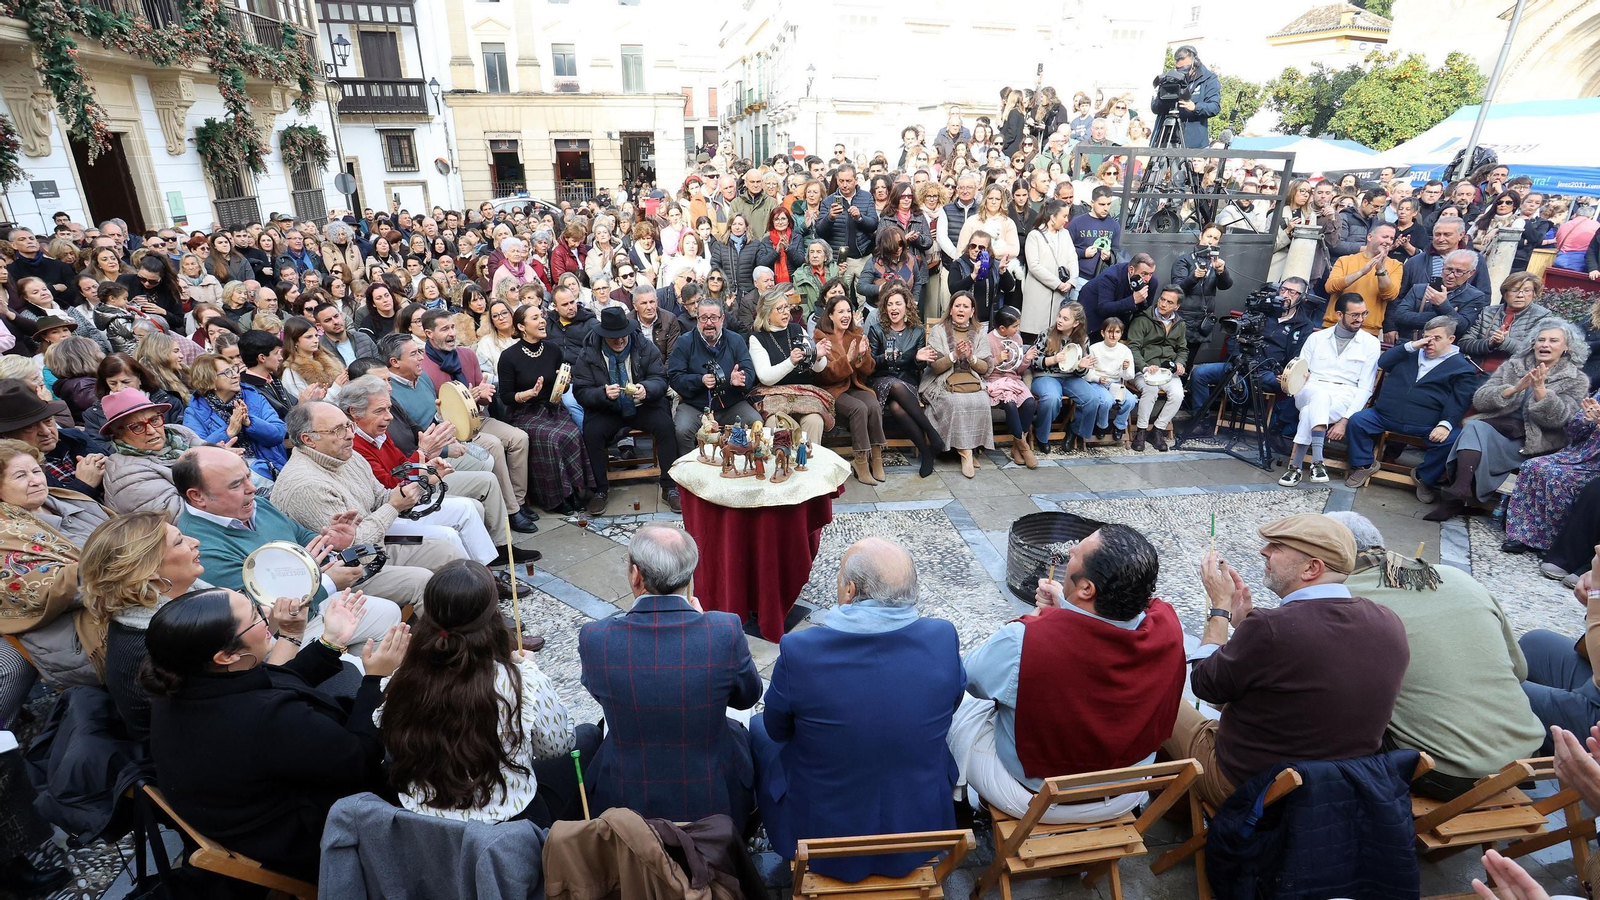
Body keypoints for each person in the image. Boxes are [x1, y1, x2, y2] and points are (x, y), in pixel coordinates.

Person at [142, 587, 408, 882]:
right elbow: (360, 759)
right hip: (307, 839)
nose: (267, 614)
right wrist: (375, 679)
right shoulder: (267, 719)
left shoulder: (181, 681)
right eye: (255, 616)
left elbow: (277, 678)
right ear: (227, 655)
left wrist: (330, 643)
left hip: (246, 809)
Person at [1163, 514, 1410, 807]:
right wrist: (1245, 629)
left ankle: (1167, 811)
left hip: (1251, 788)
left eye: (1277, 546)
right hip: (1336, 789)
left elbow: (1204, 684)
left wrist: (1220, 609)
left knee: (1159, 697)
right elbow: (1299, 665)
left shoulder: (1272, 628)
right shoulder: (1388, 621)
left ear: (1312, 567)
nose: (1263, 551)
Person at [754, 536, 962, 879]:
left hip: (821, 837)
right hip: (919, 829)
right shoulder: (942, 638)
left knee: (759, 729)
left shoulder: (802, 651)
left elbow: (778, 729)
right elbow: (954, 703)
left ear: (849, 590)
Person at [953, 524, 1184, 820]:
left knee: (964, 711)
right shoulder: (1169, 627)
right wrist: (1065, 609)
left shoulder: (1024, 641)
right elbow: (1098, 637)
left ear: (1087, 588)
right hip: (1126, 790)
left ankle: (959, 811)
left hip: (1041, 798)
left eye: (1079, 550)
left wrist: (1037, 620)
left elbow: (969, 677)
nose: (1071, 550)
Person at [1319, 511, 1544, 800]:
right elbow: (1520, 672)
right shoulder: (1456, 577)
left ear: (1321, 555)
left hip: (1447, 772)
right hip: (1524, 758)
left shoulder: (1338, 600)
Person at [376, 560, 595, 826]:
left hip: (424, 821)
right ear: (492, 615)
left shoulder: (400, 677)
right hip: (509, 825)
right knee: (589, 738)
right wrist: (529, 672)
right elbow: (556, 747)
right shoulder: (522, 681)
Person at [579, 524, 760, 829]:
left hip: (625, 800)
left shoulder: (597, 638)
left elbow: (602, 692)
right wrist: (704, 627)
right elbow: (748, 697)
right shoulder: (724, 630)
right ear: (689, 577)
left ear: (636, 575)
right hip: (713, 796)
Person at [272, 401, 502, 570]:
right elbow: (356, 549)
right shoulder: (306, 485)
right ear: (308, 440)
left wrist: (423, 478)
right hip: (352, 562)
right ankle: (477, 595)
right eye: (337, 430)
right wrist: (394, 506)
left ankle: (485, 578)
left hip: (376, 528)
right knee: (446, 541)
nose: (350, 435)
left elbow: (380, 497)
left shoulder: (346, 457)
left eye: (348, 426)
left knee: (465, 510)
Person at [1427, 323, 1590, 521]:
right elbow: (1480, 399)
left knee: (1473, 431)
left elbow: (1563, 420)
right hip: (1496, 430)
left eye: (1553, 341)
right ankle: (1459, 491)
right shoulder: (1514, 365)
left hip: (1532, 443)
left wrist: (1541, 393)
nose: (1545, 344)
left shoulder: (1577, 379)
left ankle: (1455, 498)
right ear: (1533, 343)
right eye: (1541, 339)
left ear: (1567, 347)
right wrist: (1512, 389)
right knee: (1474, 427)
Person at [0, 438, 110, 698]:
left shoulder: (70, 500)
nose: (36, 480)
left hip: (119, 594)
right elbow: (52, 590)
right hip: (75, 632)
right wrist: (130, 564)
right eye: (20, 476)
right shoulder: (7, 535)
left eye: (36, 471)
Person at [416, 309, 532, 521]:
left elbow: (482, 397)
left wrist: (483, 394)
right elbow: (433, 412)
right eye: (444, 329)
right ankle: (511, 511)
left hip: (477, 419)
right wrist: (466, 398)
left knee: (519, 438)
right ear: (429, 333)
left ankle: (518, 500)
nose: (452, 333)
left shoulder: (467, 355)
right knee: (494, 445)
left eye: (452, 327)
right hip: (450, 431)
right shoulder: (423, 367)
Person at [1343, 317, 1478, 498]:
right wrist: (1412, 346)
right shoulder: (1409, 352)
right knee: (1357, 421)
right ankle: (1365, 464)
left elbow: (1460, 400)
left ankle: (1424, 477)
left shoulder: (1462, 367)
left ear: (1451, 339)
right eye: (1426, 337)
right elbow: (1383, 363)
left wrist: (1445, 424)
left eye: (1437, 338)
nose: (1429, 342)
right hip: (1384, 415)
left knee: (1451, 439)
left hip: (1426, 423)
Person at [573, 306, 681, 516]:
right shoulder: (588, 354)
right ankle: (600, 490)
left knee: (666, 427)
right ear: (604, 336)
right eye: (614, 338)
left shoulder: (644, 346)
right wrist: (602, 394)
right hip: (608, 409)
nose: (620, 340)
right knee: (592, 432)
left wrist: (647, 389)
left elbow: (660, 378)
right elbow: (581, 391)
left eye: (623, 336)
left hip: (643, 406)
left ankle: (669, 487)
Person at [495, 304, 595, 514]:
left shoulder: (552, 349)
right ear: (522, 326)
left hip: (552, 408)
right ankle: (555, 497)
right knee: (551, 438)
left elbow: (560, 387)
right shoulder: (509, 356)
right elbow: (505, 397)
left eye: (541, 316)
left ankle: (573, 491)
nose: (542, 321)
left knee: (573, 433)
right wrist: (527, 394)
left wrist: (564, 382)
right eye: (535, 318)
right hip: (524, 413)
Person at [1280, 295, 1380, 487]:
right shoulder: (1316, 338)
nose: (1360, 319)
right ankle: (1318, 461)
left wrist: (1345, 420)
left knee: (1311, 411)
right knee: (1319, 395)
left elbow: (1366, 387)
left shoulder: (1371, 343)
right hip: (1310, 389)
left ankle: (1295, 467)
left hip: (1344, 395)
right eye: (1354, 315)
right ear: (1339, 314)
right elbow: (1301, 370)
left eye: (1364, 314)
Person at [866, 282, 945, 477]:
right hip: (881, 380)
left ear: (906, 306)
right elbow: (873, 363)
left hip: (907, 382)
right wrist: (906, 357)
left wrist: (916, 360)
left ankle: (926, 453)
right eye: (890, 304)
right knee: (894, 384)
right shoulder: (877, 329)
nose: (894, 308)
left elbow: (919, 365)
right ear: (885, 308)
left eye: (898, 304)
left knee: (897, 407)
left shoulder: (917, 331)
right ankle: (932, 433)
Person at [667, 296, 759, 459]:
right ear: (697, 319)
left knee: (754, 421)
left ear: (722, 318)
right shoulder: (685, 342)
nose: (709, 323)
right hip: (696, 406)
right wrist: (699, 380)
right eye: (704, 318)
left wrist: (739, 380)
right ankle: (691, 474)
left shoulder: (735, 340)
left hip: (731, 403)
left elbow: (749, 372)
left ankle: (740, 463)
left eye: (714, 318)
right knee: (681, 430)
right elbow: (674, 377)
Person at [182, 351, 287, 482]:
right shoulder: (194, 412)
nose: (235, 375)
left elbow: (278, 434)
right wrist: (228, 432)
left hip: (269, 468)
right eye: (226, 373)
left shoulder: (254, 398)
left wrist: (250, 423)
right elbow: (196, 455)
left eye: (234, 369)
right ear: (208, 382)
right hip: (225, 476)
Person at [814, 292, 885, 485]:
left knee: (873, 404)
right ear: (830, 315)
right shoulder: (822, 338)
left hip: (855, 385)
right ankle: (860, 461)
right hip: (832, 389)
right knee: (859, 408)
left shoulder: (857, 335)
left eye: (849, 311)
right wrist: (849, 359)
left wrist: (862, 356)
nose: (846, 315)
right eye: (841, 312)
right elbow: (826, 374)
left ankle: (876, 457)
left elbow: (869, 369)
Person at [747, 288, 831, 450]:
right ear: (766, 313)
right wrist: (791, 362)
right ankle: (782, 467)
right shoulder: (757, 338)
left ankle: (808, 464)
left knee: (815, 420)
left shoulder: (798, 329)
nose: (786, 312)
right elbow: (765, 377)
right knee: (775, 422)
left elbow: (819, 368)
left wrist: (817, 356)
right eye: (779, 309)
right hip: (773, 396)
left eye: (786, 307)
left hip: (802, 395)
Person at [921, 291, 993, 478]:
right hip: (942, 380)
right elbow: (935, 367)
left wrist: (971, 357)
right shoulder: (938, 330)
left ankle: (969, 446)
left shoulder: (979, 331)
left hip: (971, 379)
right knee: (957, 403)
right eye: (957, 306)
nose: (961, 309)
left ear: (972, 311)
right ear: (951, 309)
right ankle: (965, 453)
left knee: (982, 401)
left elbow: (985, 368)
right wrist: (954, 355)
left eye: (965, 306)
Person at [1127, 286, 1187, 452]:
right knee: (1151, 390)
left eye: (1169, 302)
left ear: (1177, 306)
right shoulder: (1143, 319)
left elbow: (1183, 349)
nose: (1163, 304)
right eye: (1162, 299)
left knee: (1178, 394)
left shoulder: (1179, 324)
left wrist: (1180, 363)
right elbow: (1133, 347)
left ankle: (1158, 430)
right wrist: (1145, 366)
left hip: (1167, 371)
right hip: (1144, 368)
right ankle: (1141, 431)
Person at [1385, 249, 1488, 344]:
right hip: (1411, 345)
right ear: (1443, 266)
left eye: (1459, 272)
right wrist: (1445, 317)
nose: (1451, 275)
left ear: (1471, 273)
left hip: (1443, 352)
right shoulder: (1419, 289)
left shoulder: (1475, 297)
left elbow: (1461, 327)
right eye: (1448, 269)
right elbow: (1400, 316)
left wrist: (1442, 305)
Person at [1460, 272, 1555, 372]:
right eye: (1514, 290)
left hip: (1512, 377)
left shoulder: (1542, 316)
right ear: (1505, 293)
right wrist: (1490, 344)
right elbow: (1464, 344)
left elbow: (1536, 352)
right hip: (1475, 371)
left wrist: (1505, 342)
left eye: (1527, 291)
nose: (1520, 295)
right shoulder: (1488, 312)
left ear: (1534, 293)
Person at [1322, 223, 1401, 336]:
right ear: (1369, 237)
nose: (1388, 241)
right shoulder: (1345, 260)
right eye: (1385, 237)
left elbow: (1390, 295)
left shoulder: (1395, 265)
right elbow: (1330, 287)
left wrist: (1381, 270)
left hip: (1368, 331)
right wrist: (1361, 272)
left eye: (1391, 238)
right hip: (1334, 325)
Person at [1170, 224, 1232, 368]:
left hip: (1202, 321)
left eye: (1216, 238)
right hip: (1183, 318)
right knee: (1174, 359)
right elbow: (1177, 288)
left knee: (1188, 363)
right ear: (1200, 236)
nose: (1211, 241)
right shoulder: (1184, 260)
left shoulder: (1216, 263)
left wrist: (1222, 272)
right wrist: (1193, 277)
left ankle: (1183, 387)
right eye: (1209, 236)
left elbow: (1225, 286)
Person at [817, 164, 880, 293]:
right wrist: (830, 217)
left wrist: (860, 218)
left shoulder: (866, 197)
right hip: (840, 261)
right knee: (840, 296)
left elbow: (874, 224)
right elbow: (820, 232)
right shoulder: (828, 201)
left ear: (855, 180)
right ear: (837, 180)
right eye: (841, 181)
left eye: (848, 181)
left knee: (864, 297)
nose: (845, 185)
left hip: (863, 256)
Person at [1399, 216, 1492, 299]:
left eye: (1447, 235)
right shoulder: (1415, 262)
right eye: (1437, 234)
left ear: (1461, 235)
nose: (1441, 239)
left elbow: (1484, 294)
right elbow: (1400, 297)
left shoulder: (1475, 260)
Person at [1021, 200, 1077, 339]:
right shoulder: (1035, 235)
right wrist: (1057, 283)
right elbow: (1034, 266)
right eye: (1064, 216)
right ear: (1052, 217)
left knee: (1056, 338)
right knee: (1035, 338)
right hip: (1038, 296)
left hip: (1060, 296)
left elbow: (1073, 258)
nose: (1066, 220)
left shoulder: (1065, 234)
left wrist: (1071, 281)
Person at [1148, 45, 1220, 149]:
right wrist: (1162, 98)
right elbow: (1155, 108)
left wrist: (1195, 107)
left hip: (1192, 143)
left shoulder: (1209, 79)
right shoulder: (1171, 78)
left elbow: (1214, 107)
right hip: (1164, 138)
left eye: (1185, 68)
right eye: (1178, 68)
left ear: (1195, 63)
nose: (1182, 72)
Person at [1077, 253, 1157, 336]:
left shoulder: (1152, 283)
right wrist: (1132, 300)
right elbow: (1104, 308)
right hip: (1093, 314)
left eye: (1151, 274)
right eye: (1144, 274)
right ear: (1131, 270)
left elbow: (1143, 312)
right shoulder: (1110, 277)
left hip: (1120, 319)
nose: (1147, 279)